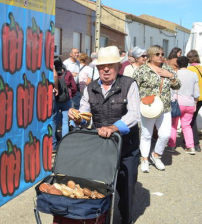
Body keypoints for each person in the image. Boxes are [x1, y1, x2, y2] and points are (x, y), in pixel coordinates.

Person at [68, 46, 140, 224]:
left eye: (110, 65)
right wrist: (77, 118)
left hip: (127, 147)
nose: (106, 69)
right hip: (101, 146)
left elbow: (134, 114)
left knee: (127, 188)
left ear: (117, 66)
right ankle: (101, 219)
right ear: (98, 68)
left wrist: (113, 128)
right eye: (102, 66)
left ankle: (126, 219)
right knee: (100, 187)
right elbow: (85, 116)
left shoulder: (129, 84)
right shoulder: (90, 88)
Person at [133, 45, 181, 172]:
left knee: (165, 134)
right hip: (148, 106)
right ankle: (144, 159)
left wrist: (170, 75)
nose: (161, 56)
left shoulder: (167, 68)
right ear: (150, 55)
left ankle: (156, 155)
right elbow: (133, 88)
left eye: (162, 54)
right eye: (157, 54)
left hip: (164, 106)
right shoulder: (141, 70)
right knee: (146, 134)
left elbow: (178, 85)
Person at [167, 56, 199, 154]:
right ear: (188, 63)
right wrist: (195, 103)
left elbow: (171, 90)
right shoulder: (193, 75)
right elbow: (196, 92)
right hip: (190, 103)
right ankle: (190, 147)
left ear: (178, 64)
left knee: (173, 125)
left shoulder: (175, 74)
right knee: (187, 125)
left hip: (178, 103)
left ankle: (171, 146)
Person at [52, 57, 77, 152]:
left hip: (55, 99)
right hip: (66, 100)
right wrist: (71, 95)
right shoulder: (68, 73)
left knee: (53, 121)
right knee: (65, 121)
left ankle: (53, 143)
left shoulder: (50, 73)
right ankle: (65, 143)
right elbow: (74, 87)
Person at [187, 50, 202, 152]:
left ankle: (195, 144)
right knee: (193, 117)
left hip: (195, 97)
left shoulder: (190, 69)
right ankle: (188, 139)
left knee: (192, 119)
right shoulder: (201, 67)